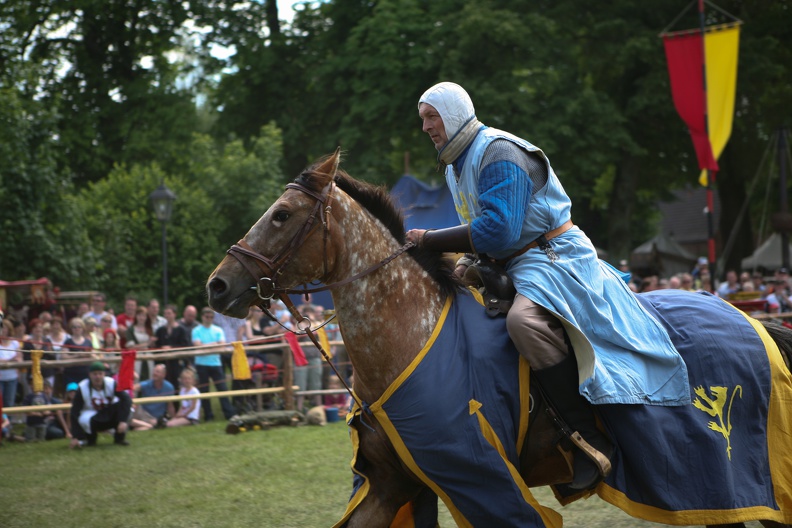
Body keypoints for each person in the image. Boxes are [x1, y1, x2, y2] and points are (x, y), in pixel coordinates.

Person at [407, 82, 689, 490]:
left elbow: (500, 231)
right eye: (423, 119)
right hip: (509, 259)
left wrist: (429, 240)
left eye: (432, 117)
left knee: (524, 322)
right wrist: (459, 262)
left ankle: (588, 439)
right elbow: (483, 233)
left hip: (551, 253)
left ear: (452, 115)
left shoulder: (498, 153)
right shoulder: (455, 164)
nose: (426, 127)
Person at [69, 361, 132, 448]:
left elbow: (126, 399)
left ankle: (119, 438)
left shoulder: (111, 383)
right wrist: (75, 436)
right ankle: (88, 439)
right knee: (83, 419)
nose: (97, 377)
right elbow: (75, 411)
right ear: (90, 375)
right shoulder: (82, 387)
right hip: (91, 415)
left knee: (126, 408)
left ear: (104, 374)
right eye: (94, 374)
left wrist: (123, 420)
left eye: (100, 374)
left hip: (109, 412)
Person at [192, 307, 235, 421]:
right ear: (202, 317)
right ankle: (208, 416)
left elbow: (222, 345)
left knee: (222, 389)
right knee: (205, 391)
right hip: (201, 364)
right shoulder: (196, 330)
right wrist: (213, 344)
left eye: (211, 317)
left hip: (215, 363)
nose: (209, 319)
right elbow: (197, 346)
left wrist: (206, 346)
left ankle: (229, 414)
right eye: (207, 317)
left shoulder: (218, 330)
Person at [155, 304, 191, 388]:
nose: (167, 315)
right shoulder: (160, 330)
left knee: (177, 384)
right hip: (164, 362)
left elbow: (185, 345)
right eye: (165, 313)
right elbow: (157, 345)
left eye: (169, 313)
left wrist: (171, 347)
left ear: (174, 314)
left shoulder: (182, 330)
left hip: (177, 362)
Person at [62, 317, 96, 387]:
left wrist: (88, 355)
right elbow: (64, 356)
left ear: (83, 328)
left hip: (85, 373)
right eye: (74, 327)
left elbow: (94, 356)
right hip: (71, 373)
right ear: (71, 329)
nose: (77, 329)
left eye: (79, 327)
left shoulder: (88, 342)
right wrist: (77, 355)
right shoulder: (68, 341)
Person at [125, 306, 156, 379]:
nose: (141, 318)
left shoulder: (149, 329)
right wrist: (147, 343)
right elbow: (130, 347)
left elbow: (153, 345)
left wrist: (153, 342)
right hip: (136, 358)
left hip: (149, 357)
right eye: (139, 315)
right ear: (136, 316)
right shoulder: (131, 330)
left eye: (144, 316)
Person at [0, 319, 22, 407]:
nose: (3, 330)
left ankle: (9, 420)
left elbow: (19, 358)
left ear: (9, 329)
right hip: (0, 378)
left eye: (5, 328)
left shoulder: (15, 343)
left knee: (9, 402)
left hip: (12, 377)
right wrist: (10, 360)